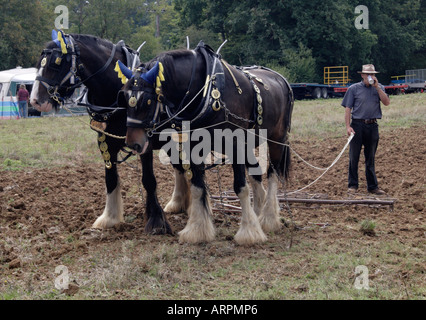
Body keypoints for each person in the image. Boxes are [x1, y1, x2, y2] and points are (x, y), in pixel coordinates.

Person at [342, 64, 390, 195]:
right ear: (362, 75)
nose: (371, 77)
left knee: (370, 158)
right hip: (357, 125)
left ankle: (372, 186)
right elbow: (347, 109)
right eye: (369, 74)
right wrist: (348, 126)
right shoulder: (353, 89)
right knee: (354, 157)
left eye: (373, 74)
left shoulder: (379, 88)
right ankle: (352, 185)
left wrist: (378, 88)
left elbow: (386, 102)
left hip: (372, 125)